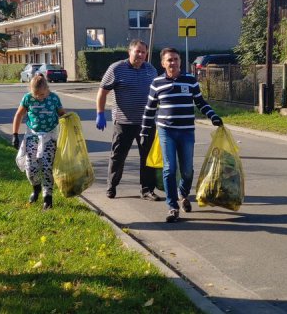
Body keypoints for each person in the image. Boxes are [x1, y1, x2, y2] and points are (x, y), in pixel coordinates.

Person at [140, 48, 223, 223]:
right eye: (169, 60)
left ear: (180, 61)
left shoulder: (190, 81)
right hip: (166, 131)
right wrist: (144, 130)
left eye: (176, 59)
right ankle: (172, 207)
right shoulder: (157, 83)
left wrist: (213, 116)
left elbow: (200, 102)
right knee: (169, 169)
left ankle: (182, 194)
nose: (173, 63)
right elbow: (150, 109)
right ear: (163, 63)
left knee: (187, 170)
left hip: (186, 131)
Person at [95, 39, 160, 201]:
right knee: (118, 156)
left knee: (147, 157)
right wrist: (100, 113)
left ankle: (147, 189)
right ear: (129, 52)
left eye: (143, 52)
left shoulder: (151, 70)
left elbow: (158, 94)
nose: (140, 55)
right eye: (137, 51)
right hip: (123, 122)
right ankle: (111, 186)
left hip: (146, 123)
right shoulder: (117, 68)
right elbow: (102, 92)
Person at [12, 74, 66, 210]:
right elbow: (19, 115)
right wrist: (15, 134)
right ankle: (36, 188)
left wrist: (71, 124)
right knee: (31, 167)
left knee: (48, 167)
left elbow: (62, 114)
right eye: (36, 95)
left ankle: (48, 197)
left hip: (49, 137)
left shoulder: (54, 98)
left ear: (47, 89)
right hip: (32, 136)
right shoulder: (27, 99)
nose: (40, 97)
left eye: (42, 94)